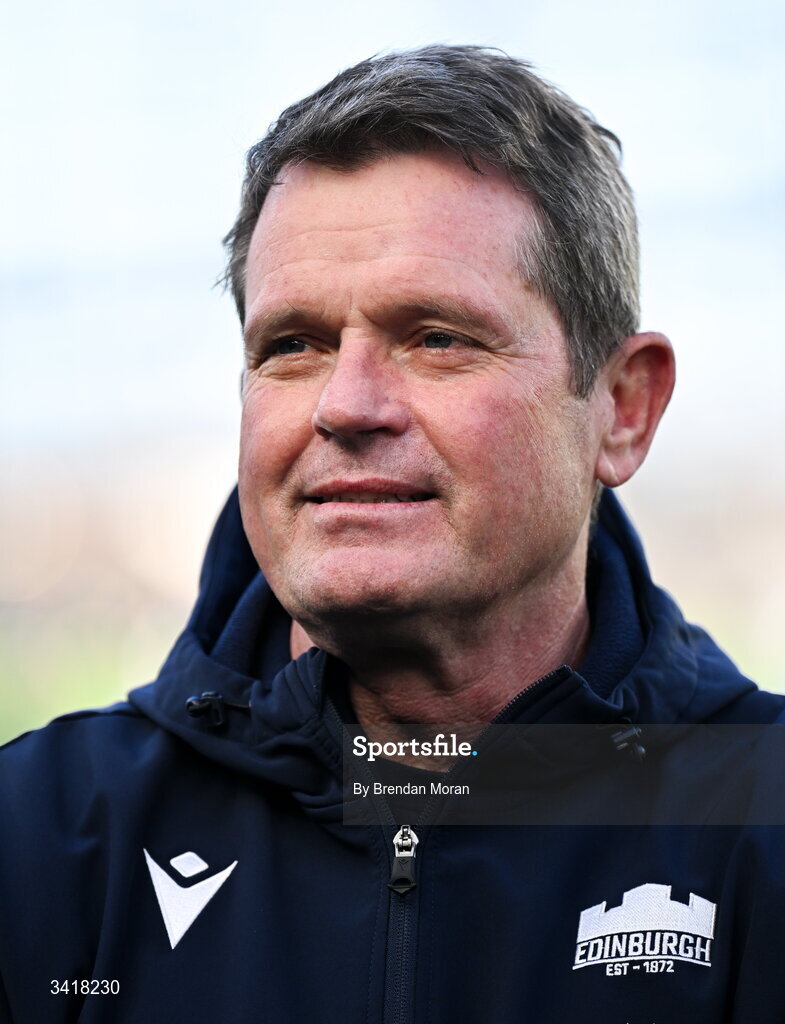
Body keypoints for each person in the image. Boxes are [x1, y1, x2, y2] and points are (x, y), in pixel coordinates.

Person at [1, 44, 784, 1024]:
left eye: (436, 337)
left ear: (620, 408)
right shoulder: (42, 836)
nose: (346, 404)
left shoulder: (760, 825)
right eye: (293, 345)